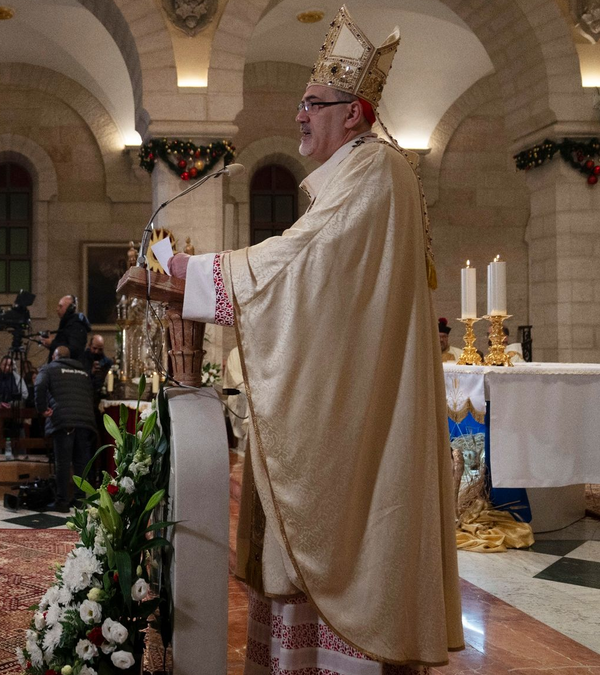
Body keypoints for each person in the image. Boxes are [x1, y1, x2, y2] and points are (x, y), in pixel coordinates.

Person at [167, 8, 461, 668]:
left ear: (354, 112)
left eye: (314, 104)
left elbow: (304, 264)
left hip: (361, 419)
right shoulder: (360, 177)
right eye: (302, 103)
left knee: (346, 539)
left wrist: (194, 270)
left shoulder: (375, 174)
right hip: (348, 398)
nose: (301, 116)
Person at [34, 346, 97, 512]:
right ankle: (79, 499)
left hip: (63, 420)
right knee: (80, 462)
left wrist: (41, 409)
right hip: (85, 420)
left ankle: (61, 502)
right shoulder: (82, 371)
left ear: (55, 357)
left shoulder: (49, 368)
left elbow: (39, 385)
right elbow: (91, 393)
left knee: (62, 462)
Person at [39, 295, 90, 363]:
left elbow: (74, 350)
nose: (57, 309)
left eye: (60, 306)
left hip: (68, 368)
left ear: (70, 308)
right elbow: (64, 345)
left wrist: (52, 343)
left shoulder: (77, 325)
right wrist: (49, 344)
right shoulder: (67, 324)